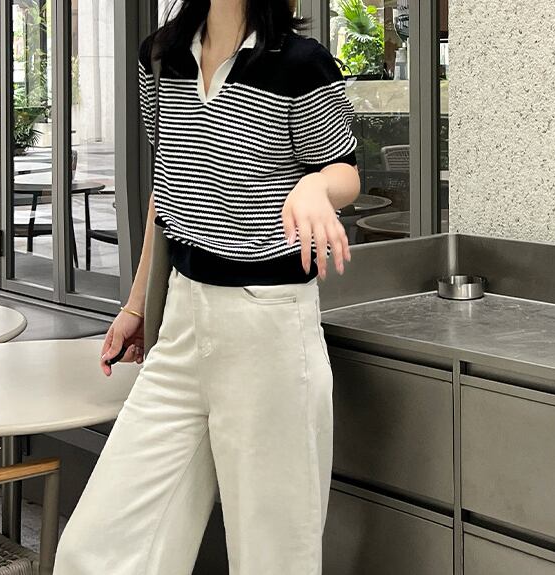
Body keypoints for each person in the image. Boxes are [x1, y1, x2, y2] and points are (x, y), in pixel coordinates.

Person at [53, 0, 360, 572]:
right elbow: (166, 188)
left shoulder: (300, 62)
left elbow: (344, 171)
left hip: (269, 325)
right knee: (96, 549)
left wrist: (315, 187)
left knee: (273, 555)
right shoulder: (160, 56)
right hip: (183, 320)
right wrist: (137, 305)